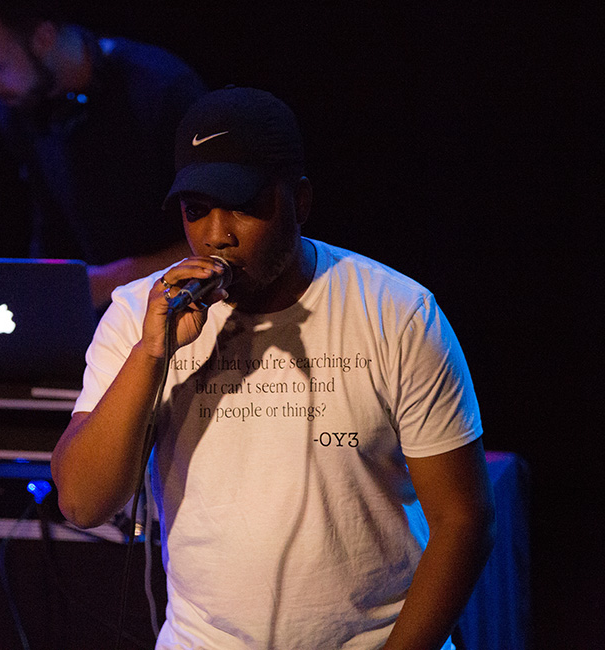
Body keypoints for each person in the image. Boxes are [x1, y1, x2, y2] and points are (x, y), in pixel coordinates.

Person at [51, 86, 496, 649]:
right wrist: (151, 355)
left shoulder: (397, 313)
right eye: (196, 210)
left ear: (301, 202)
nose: (216, 234)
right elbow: (82, 503)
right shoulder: (140, 316)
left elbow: (464, 521)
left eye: (242, 205)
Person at [0, 0, 206, 308]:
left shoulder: (164, 90)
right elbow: (50, 230)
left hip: (188, 308)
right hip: (102, 321)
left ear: (44, 37)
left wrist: (115, 279)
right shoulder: (20, 109)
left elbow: (224, 235)